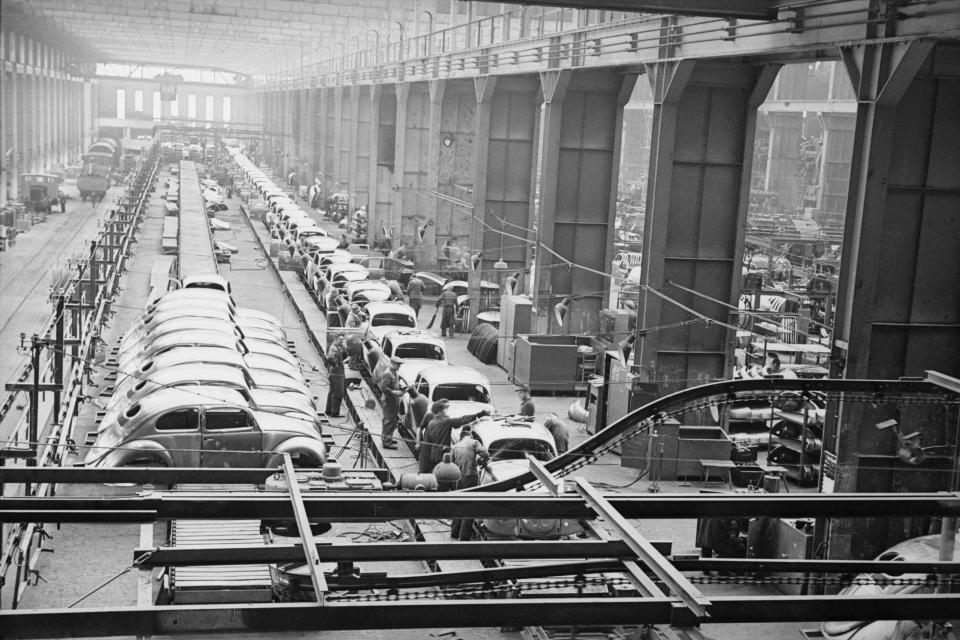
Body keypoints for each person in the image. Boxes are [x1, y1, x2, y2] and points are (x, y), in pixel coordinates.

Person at [419, 400, 491, 473]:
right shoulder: (446, 421)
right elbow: (462, 420)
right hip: (442, 455)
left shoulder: (431, 423)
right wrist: (479, 414)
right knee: (445, 476)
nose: (445, 411)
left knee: (436, 474)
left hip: (433, 455)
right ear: (439, 411)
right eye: (444, 409)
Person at [450, 423, 490, 540]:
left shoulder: (456, 446)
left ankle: (454, 532)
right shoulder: (474, 442)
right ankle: (464, 537)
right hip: (470, 477)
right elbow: (485, 454)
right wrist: (482, 461)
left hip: (458, 479)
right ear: (470, 435)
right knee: (470, 506)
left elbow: (452, 464)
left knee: (459, 505)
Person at [378, 356, 405, 449]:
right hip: (389, 400)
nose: (399, 366)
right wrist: (394, 392)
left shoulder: (394, 373)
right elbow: (383, 387)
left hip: (393, 400)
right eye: (398, 364)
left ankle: (388, 437)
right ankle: (386, 442)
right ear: (393, 364)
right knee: (388, 420)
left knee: (393, 419)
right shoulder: (388, 374)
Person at [324, 334, 346, 418]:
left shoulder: (337, 347)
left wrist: (343, 346)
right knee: (338, 393)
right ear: (335, 339)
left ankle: (328, 410)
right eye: (340, 339)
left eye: (342, 340)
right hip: (336, 374)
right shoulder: (333, 348)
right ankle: (335, 412)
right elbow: (330, 358)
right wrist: (336, 366)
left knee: (332, 392)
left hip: (335, 374)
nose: (341, 341)